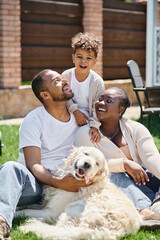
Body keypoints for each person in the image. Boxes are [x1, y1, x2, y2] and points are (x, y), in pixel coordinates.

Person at [0, 69, 91, 239]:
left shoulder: (81, 118)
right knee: (10, 168)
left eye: (62, 78)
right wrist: (58, 182)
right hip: (36, 184)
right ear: (45, 95)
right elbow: (33, 164)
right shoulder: (33, 120)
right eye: (57, 81)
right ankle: (2, 222)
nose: (64, 81)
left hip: (67, 182)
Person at [75, 87, 160, 218]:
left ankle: (157, 203)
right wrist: (124, 164)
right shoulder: (85, 133)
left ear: (121, 109)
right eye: (100, 99)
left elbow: (151, 157)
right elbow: (91, 166)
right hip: (110, 183)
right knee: (113, 176)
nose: (101, 103)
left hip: (141, 178)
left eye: (108, 100)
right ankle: (144, 211)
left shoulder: (135, 128)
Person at [62, 32, 105, 143]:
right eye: (79, 56)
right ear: (73, 58)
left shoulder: (97, 82)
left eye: (89, 58)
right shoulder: (66, 76)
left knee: (86, 134)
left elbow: (99, 106)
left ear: (95, 61)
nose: (83, 61)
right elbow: (64, 97)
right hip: (70, 111)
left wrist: (95, 126)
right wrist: (75, 111)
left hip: (89, 116)